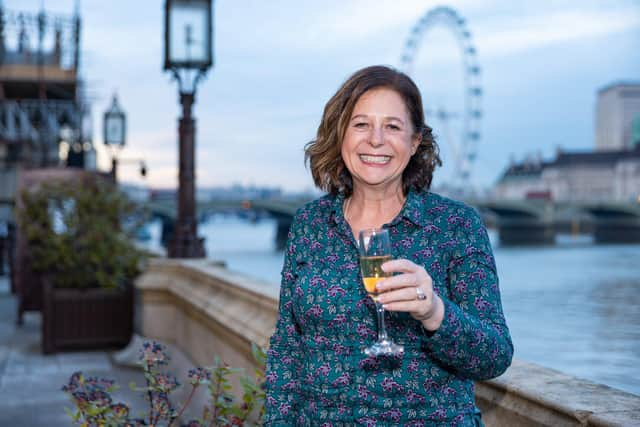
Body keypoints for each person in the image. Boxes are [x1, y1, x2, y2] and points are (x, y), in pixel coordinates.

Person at [264, 65, 513, 426]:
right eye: (361, 124)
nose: (376, 140)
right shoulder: (309, 225)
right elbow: (287, 348)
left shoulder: (455, 225)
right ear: (340, 136)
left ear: (414, 143)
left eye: (393, 127)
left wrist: (435, 313)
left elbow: (495, 356)